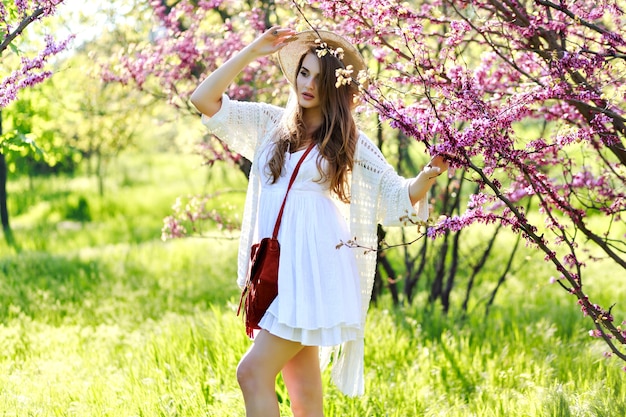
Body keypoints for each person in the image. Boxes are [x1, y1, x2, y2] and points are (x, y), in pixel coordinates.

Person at [190, 26, 448, 417]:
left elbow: (395, 196)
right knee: (306, 400)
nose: (308, 84)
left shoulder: (347, 140)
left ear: (336, 88)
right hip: (278, 272)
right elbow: (203, 98)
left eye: (320, 78)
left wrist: (429, 174)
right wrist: (253, 51)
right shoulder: (268, 124)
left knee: (252, 374)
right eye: (304, 72)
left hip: (313, 275)